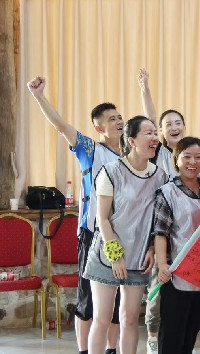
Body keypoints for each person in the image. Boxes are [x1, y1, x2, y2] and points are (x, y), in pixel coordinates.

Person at [27, 76, 121, 354]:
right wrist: (39, 96)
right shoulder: (90, 149)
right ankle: (84, 350)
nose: (119, 121)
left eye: (120, 117)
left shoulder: (130, 155)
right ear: (99, 127)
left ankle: (111, 349)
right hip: (93, 233)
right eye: (112, 119)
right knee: (88, 298)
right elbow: (60, 126)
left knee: (116, 298)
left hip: (121, 234)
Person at [84, 116, 167, 354]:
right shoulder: (111, 172)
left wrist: (151, 248)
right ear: (131, 141)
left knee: (130, 319)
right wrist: (115, 256)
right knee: (102, 318)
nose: (155, 138)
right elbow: (102, 218)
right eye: (148, 133)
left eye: (155, 133)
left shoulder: (160, 176)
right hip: (107, 255)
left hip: (139, 258)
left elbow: (157, 220)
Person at [137, 68, 187, 353]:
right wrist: (145, 90)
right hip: (160, 229)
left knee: (182, 289)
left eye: (178, 122)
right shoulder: (159, 152)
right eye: (168, 124)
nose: (173, 127)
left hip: (185, 230)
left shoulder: (192, 154)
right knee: (158, 284)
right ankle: (153, 337)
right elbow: (151, 120)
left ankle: (180, 336)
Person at [154, 137, 200, 354]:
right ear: (176, 160)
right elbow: (160, 233)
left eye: (198, 157)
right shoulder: (167, 192)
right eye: (187, 157)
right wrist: (162, 265)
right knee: (172, 333)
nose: (193, 162)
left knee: (192, 331)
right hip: (176, 272)